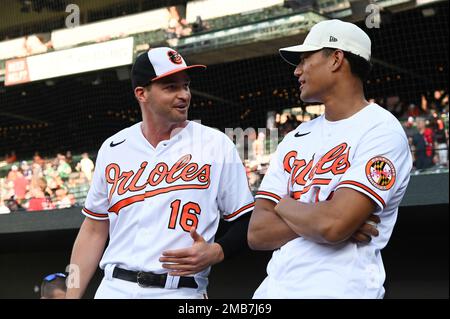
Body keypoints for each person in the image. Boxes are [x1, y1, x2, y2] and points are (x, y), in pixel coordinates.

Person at [66, 47, 254, 299]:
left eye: (185, 85)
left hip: (179, 290)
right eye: (170, 87)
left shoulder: (215, 144)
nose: (184, 95)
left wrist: (218, 250)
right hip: (114, 287)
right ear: (141, 94)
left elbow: (246, 220)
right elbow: (93, 229)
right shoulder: (113, 147)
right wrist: (71, 295)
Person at [248, 19, 412, 298]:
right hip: (272, 291)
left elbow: (333, 225)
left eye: (305, 59)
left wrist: (284, 205)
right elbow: (257, 232)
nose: (297, 70)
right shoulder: (296, 137)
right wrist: (322, 218)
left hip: (341, 290)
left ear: (336, 59)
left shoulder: (382, 130)